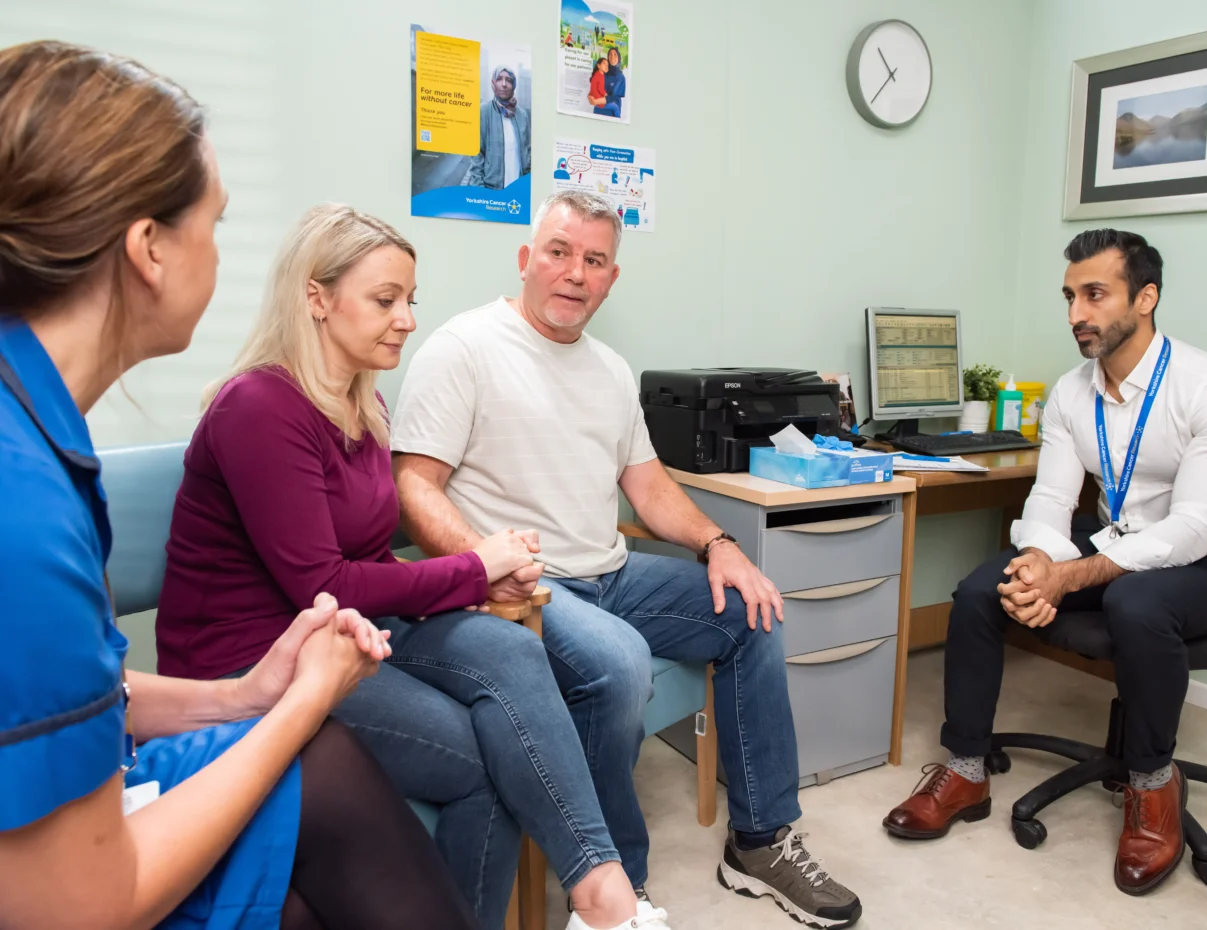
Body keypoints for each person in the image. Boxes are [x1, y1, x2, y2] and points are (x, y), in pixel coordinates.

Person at [0, 40, 478, 930]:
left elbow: (80, 687)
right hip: (79, 882)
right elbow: (81, 905)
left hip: (114, 760)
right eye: (214, 225)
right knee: (324, 777)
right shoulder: (22, 510)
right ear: (148, 247)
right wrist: (294, 707)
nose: (220, 256)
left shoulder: (35, 427)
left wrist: (243, 698)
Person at [155, 203, 671, 930]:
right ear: (317, 298)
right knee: (484, 757)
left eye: (410, 301)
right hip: (257, 659)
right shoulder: (260, 408)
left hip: (346, 632)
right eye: (385, 300)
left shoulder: (361, 405)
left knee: (511, 650)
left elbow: (366, 561)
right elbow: (326, 583)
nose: (406, 319)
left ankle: (601, 894)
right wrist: (474, 566)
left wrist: (479, 584)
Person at [390, 190, 864, 930]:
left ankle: (760, 842)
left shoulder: (610, 370)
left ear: (611, 277)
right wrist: (481, 562)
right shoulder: (463, 348)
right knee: (618, 666)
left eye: (594, 260)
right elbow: (413, 485)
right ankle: (619, 891)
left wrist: (720, 545)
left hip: (611, 573)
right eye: (558, 252)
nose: (574, 273)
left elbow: (646, 486)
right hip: (528, 587)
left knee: (752, 611)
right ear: (524, 259)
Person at [882, 229, 1207, 896]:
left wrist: (1071, 574)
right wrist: (1037, 565)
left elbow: (1193, 528)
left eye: (1095, 294)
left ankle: (1154, 785)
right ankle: (964, 769)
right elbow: (1050, 497)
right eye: (1071, 296)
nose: (1077, 312)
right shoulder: (1074, 394)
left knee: (1137, 602)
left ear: (1147, 297)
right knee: (980, 589)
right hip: (1112, 538)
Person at [464, 65, 530, 191]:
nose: (504, 84)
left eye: (509, 80)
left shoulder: (522, 116)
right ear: (493, 83)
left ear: (514, 85)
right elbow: (476, 154)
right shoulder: (483, 111)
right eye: (499, 79)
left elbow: (528, 154)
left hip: (517, 191)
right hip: (491, 192)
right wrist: (481, 191)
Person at [603, 47, 626, 118]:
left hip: (613, 113)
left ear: (618, 58)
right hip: (601, 110)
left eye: (615, 54)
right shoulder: (604, 74)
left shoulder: (620, 77)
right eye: (610, 54)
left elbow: (613, 96)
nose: (612, 57)